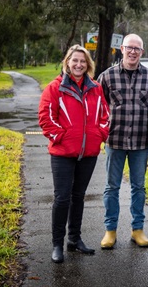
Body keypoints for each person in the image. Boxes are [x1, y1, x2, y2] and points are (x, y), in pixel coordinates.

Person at [38, 44, 110, 263]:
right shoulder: (55, 88)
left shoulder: (95, 88)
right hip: (62, 154)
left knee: (78, 197)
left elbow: (105, 115)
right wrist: (62, 137)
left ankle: (74, 240)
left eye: (82, 61)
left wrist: (99, 135)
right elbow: (45, 119)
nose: (79, 64)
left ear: (88, 64)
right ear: (67, 63)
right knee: (62, 198)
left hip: (88, 153)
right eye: (74, 60)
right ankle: (57, 244)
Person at [97, 34, 148, 249]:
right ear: (122, 49)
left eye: (137, 49)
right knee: (111, 187)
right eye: (129, 48)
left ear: (142, 52)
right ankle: (110, 231)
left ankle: (137, 230)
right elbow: (101, 108)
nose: (133, 52)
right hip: (114, 141)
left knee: (138, 187)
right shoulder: (107, 77)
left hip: (141, 142)